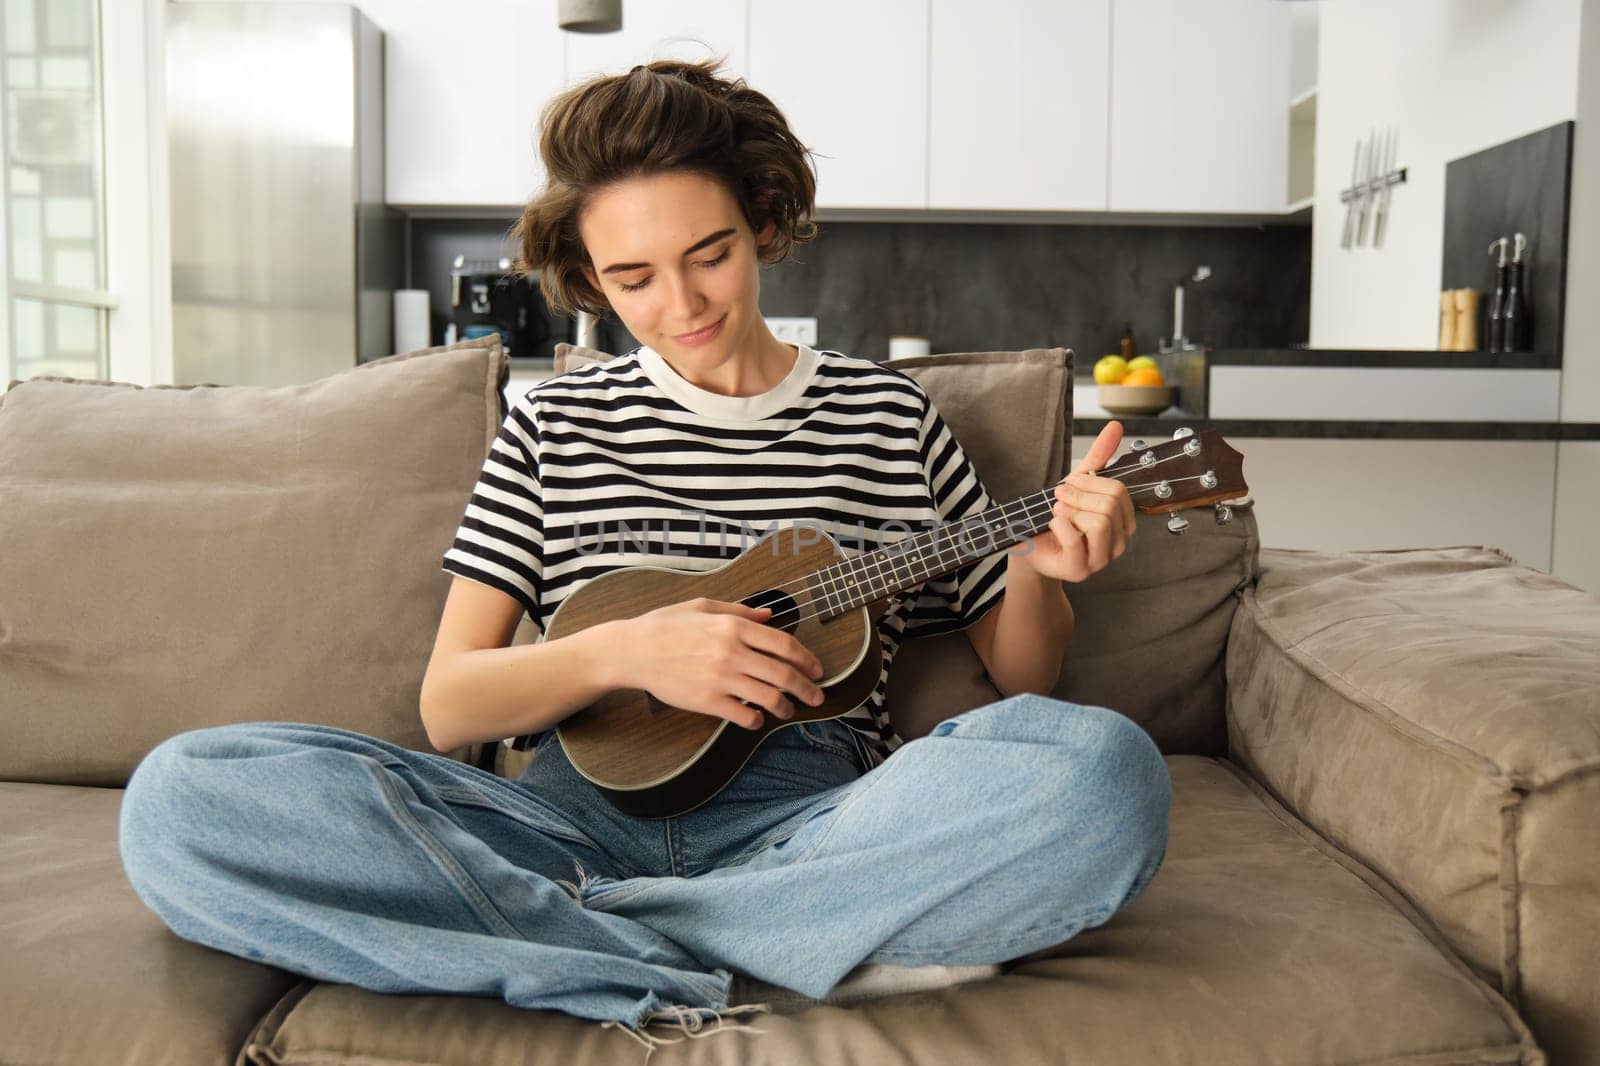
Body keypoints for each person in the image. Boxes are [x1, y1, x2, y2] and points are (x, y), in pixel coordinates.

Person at [117, 56, 1170, 1056]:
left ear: (762, 221)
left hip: (814, 824)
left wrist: (1037, 564)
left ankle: (601, 947)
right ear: (589, 279)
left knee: (1100, 775)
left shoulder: (887, 417)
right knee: (182, 798)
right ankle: (768, 948)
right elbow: (452, 706)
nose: (682, 305)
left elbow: (1024, 677)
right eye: (633, 278)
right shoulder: (554, 424)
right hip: (557, 825)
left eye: (709, 254)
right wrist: (625, 655)